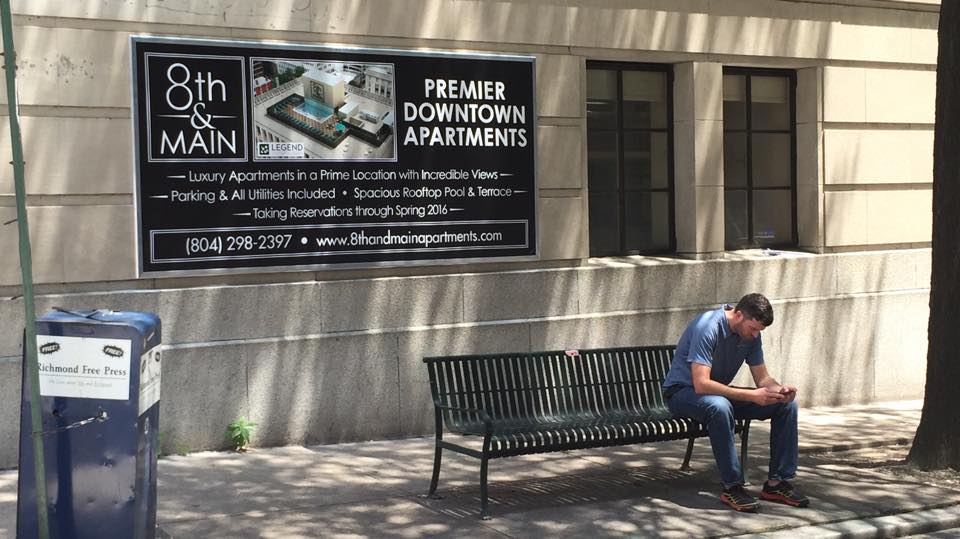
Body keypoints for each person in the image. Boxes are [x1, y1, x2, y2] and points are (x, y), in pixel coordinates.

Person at [662, 293, 809, 512]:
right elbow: (701, 384)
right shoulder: (708, 327)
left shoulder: (751, 335)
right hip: (682, 393)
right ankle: (732, 486)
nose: (756, 334)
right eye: (753, 328)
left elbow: (763, 379)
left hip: (717, 394)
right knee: (720, 407)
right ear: (738, 315)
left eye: (760, 330)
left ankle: (776, 484)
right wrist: (752, 396)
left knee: (786, 406)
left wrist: (780, 391)